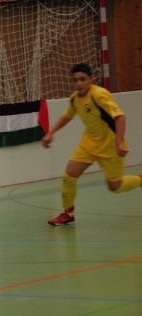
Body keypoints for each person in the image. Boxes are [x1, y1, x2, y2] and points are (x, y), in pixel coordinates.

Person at [42, 63, 140, 226]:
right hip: (89, 143)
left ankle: (140, 179)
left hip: (110, 145)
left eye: (83, 79)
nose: (79, 83)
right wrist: (51, 132)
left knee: (115, 186)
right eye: (75, 80)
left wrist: (118, 142)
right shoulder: (75, 98)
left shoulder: (99, 95)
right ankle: (68, 214)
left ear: (91, 79)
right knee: (69, 175)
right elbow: (67, 116)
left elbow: (120, 117)